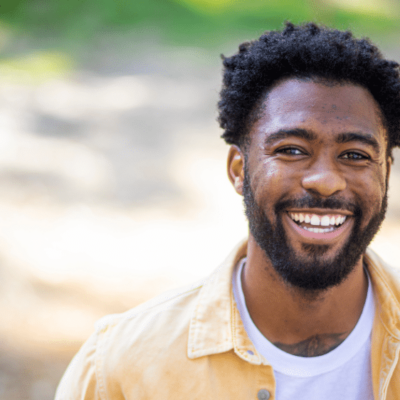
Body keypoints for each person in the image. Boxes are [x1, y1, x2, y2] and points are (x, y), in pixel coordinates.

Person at [55, 22, 400, 400]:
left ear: (385, 170)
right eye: (292, 149)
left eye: (355, 156)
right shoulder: (118, 367)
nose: (325, 180)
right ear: (238, 169)